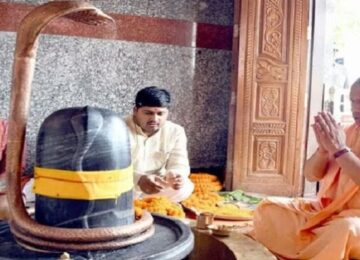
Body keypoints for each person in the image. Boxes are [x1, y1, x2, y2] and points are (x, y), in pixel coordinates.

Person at [250, 78, 360, 260]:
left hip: (353, 223)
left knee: (345, 229)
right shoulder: (346, 132)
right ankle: (316, 249)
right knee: (268, 209)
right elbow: (310, 175)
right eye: (353, 101)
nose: (355, 108)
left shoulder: (340, 141)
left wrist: (340, 150)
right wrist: (323, 151)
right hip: (326, 213)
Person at [125, 86, 194, 202]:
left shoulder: (176, 131)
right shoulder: (117, 128)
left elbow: (180, 163)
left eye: (160, 114)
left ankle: (145, 205)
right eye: (148, 113)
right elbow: (108, 169)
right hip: (126, 186)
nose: (154, 119)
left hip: (156, 188)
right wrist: (139, 180)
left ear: (167, 113)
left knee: (185, 187)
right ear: (135, 111)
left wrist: (175, 175)